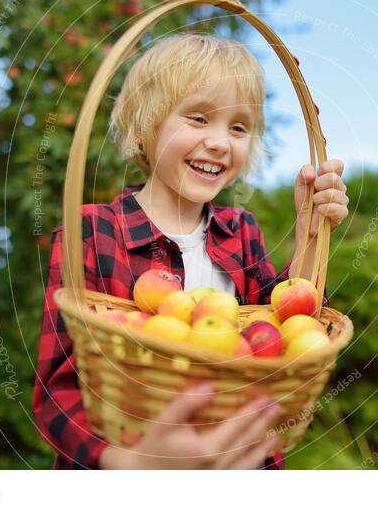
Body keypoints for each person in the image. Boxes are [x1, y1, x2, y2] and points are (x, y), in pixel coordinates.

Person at [32, 33, 349, 469]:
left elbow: (294, 334)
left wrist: (308, 234)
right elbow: (58, 387)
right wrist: (128, 463)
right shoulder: (93, 231)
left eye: (238, 127)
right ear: (147, 125)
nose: (220, 142)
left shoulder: (241, 231)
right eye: (199, 118)